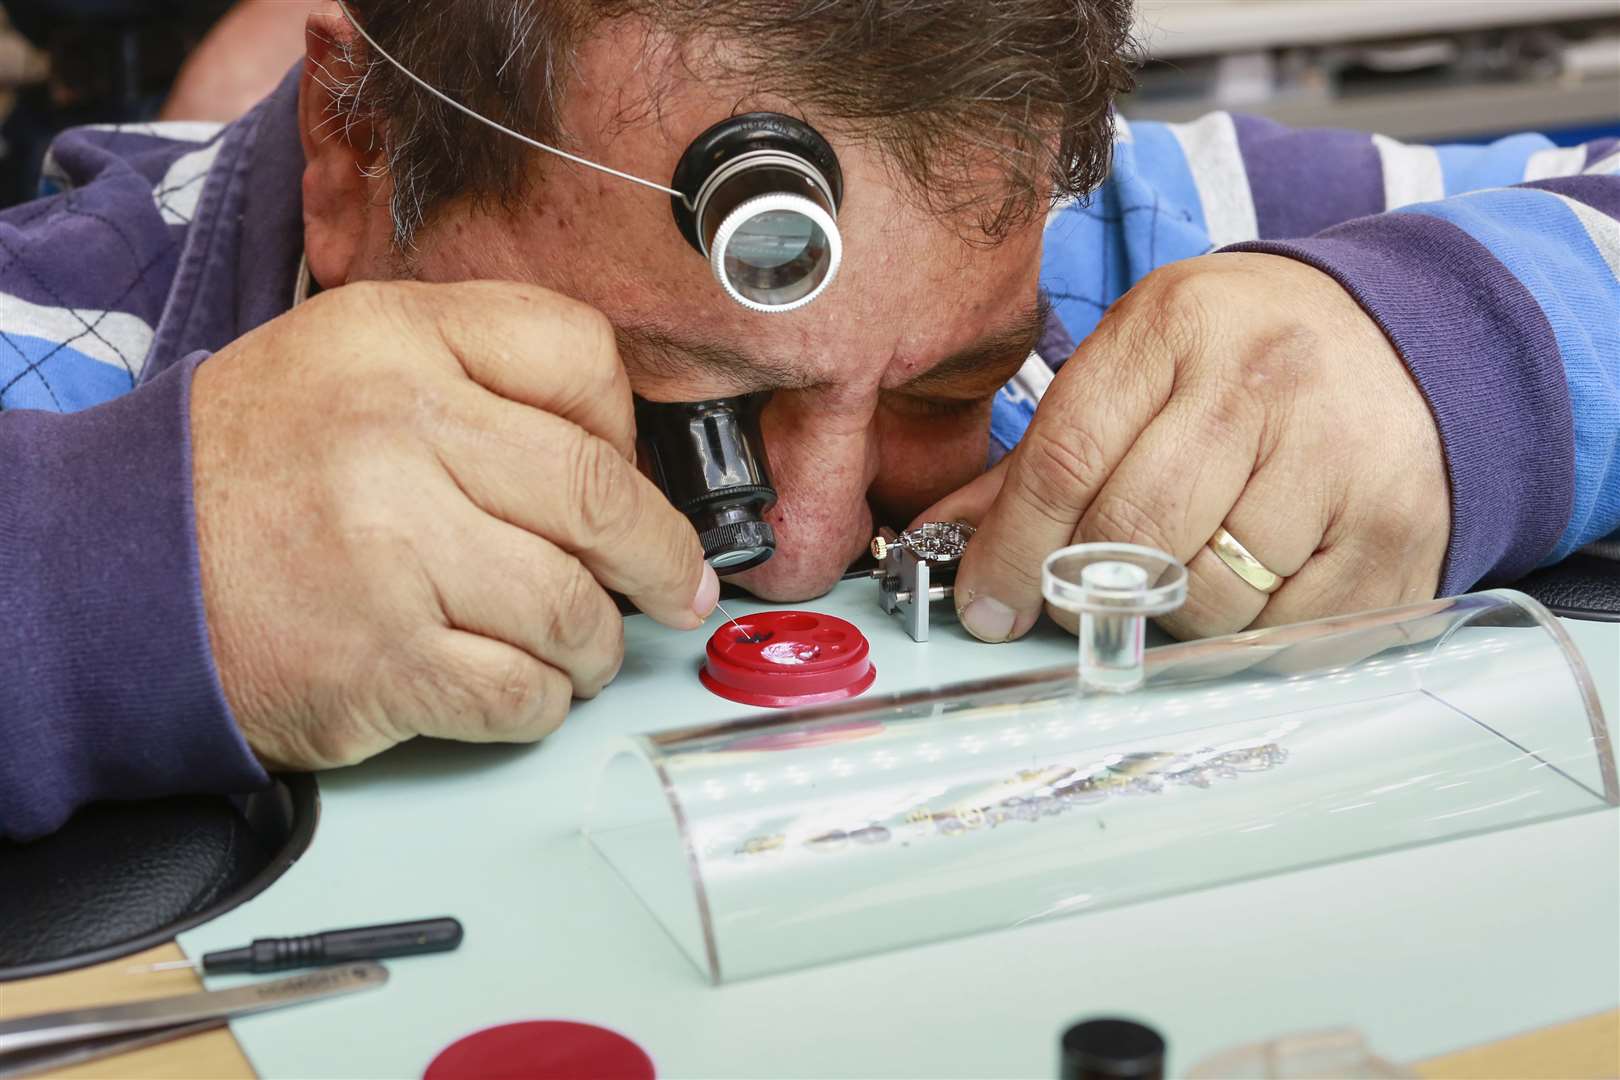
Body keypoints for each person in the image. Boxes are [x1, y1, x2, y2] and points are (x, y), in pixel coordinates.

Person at [1, 1, 1615, 840]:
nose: (810, 554)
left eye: (945, 392)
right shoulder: (69, 355)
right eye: (691, 395)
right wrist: (93, 581)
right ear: (359, 150)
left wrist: (1466, 358)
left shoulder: (1116, 240)